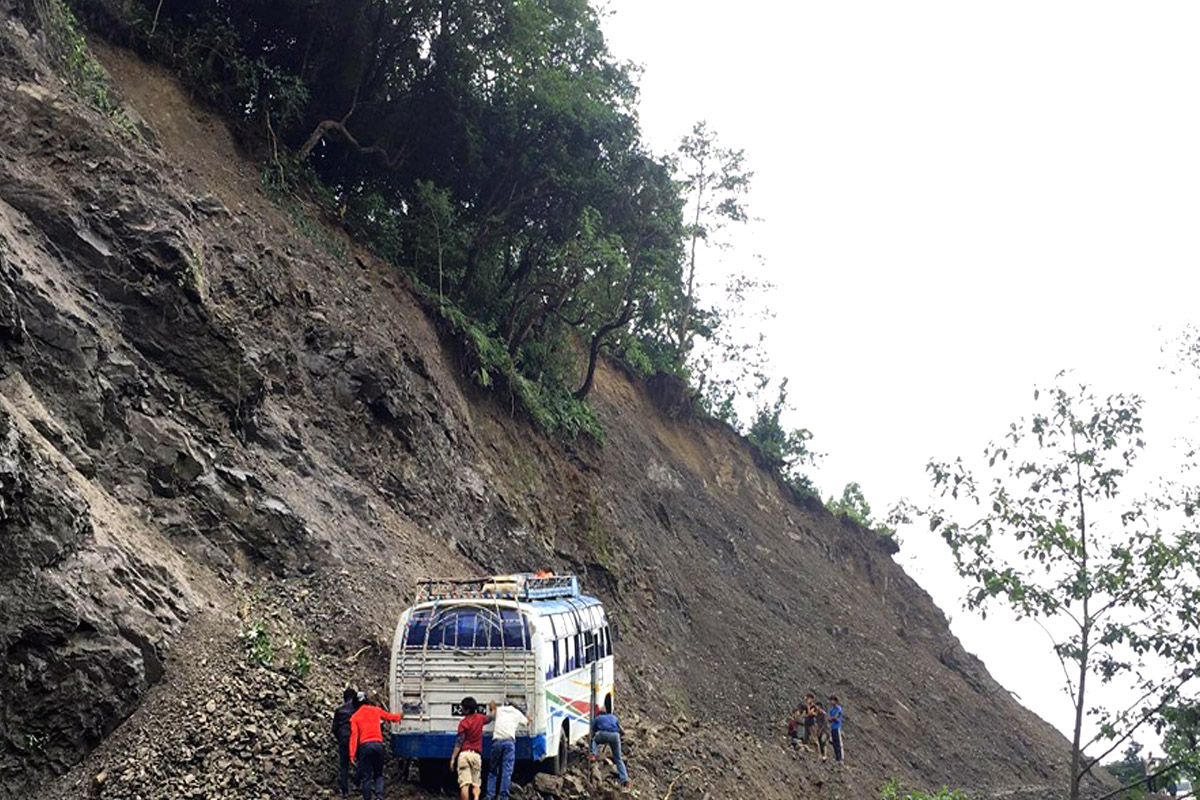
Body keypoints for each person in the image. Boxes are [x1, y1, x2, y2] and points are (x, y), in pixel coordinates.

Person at [349, 692, 403, 800]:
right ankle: (379, 796)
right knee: (378, 774)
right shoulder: (375, 710)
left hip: (365, 747)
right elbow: (390, 717)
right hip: (378, 745)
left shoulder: (354, 717)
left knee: (366, 777)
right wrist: (399, 716)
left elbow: (353, 737)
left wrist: (352, 754)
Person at [484, 701, 527, 800]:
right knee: (506, 771)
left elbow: (492, 711)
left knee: (493, 770)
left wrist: (492, 706)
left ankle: (490, 795)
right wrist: (528, 718)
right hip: (509, 742)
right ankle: (503, 796)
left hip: (497, 742)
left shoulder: (500, 710)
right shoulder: (517, 713)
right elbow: (526, 723)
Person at [449, 697, 488, 800]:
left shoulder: (463, 723)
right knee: (476, 784)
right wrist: (493, 710)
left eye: (462, 708)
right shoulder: (480, 718)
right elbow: (490, 718)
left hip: (464, 755)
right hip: (476, 756)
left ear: (466, 710)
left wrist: (453, 759)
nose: (461, 709)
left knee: (464, 785)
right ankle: (476, 798)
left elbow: (459, 742)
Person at [331, 688, 361, 797]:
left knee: (344, 765)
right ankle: (357, 783)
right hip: (355, 738)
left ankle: (345, 791)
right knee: (361, 760)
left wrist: (340, 739)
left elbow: (334, 728)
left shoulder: (339, 710)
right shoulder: (358, 709)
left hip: (343, 739)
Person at [588, 709, 630, 787]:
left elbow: (592, 732)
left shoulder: (597, 718)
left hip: (602, 733)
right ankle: (625, 780)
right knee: (618, 759)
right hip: (615, 735)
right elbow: (622, 732)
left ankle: (593, 754)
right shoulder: (613, 717)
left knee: (594, 741)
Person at [828, 695, 845, 764]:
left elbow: (835, 717)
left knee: (839, 743)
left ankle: (841, 758)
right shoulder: (831, 710)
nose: (831, 702)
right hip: (832, 727)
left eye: (833, 700)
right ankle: (837, 758)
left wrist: (832, 719)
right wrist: (832, 719)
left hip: (837, 727)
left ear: (836, 701)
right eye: (831, 700)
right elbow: (829, 719)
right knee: (834, 744)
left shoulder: (838, 708)